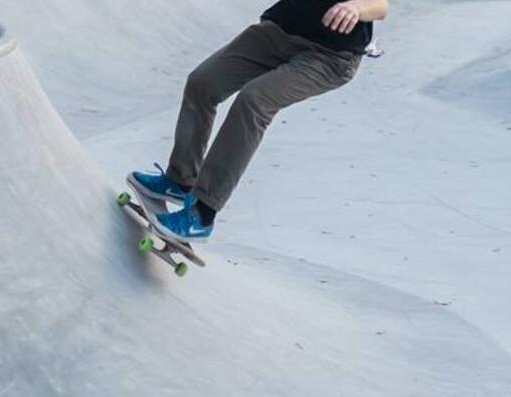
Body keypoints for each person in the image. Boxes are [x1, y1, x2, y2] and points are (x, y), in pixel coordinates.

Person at [128, 0, 389, 242]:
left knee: (254, 101)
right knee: (202, 83)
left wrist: (355, 7)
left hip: (329, 56)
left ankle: (202, 213)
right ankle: (180, 180)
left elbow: (381, 5)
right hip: (277, 32)